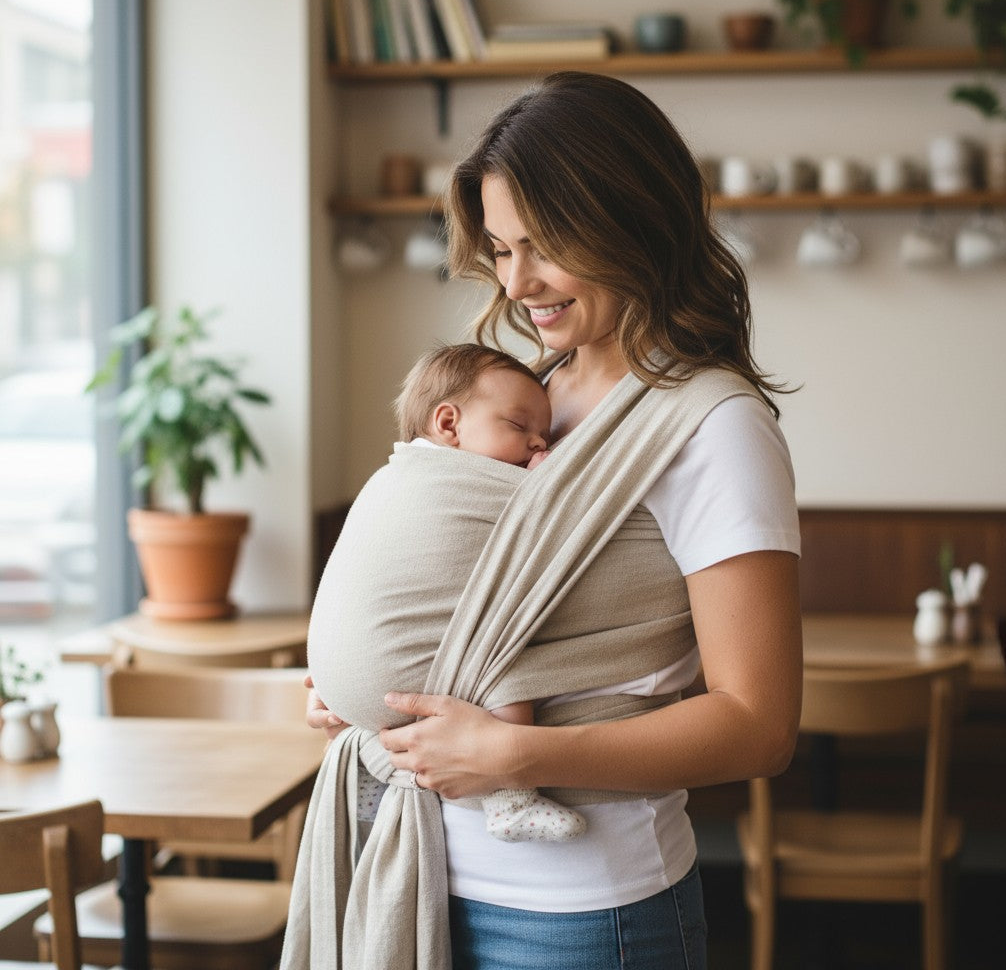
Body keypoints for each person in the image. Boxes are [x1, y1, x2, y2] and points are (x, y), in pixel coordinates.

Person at [298, 71, 803, 970]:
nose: (517, 281)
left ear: (630, 222)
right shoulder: (528, 396)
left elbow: (758, 723)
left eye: (544, 245)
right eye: (499, 249)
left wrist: (514, 755)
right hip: (415, 874)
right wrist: (369, 683)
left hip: (579, 914)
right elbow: (456, 592)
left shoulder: (712, 426)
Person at [313, 340, 587, 843]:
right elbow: (551, 519)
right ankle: (509, 799)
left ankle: (372, 791)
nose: (539, 447)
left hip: (339, 685)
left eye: (544, 436)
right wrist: (544, 484)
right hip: (391, 674)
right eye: (518, 426)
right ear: (448, 425)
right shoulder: (455, 483)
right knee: (505, 655)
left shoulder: (389, 478)